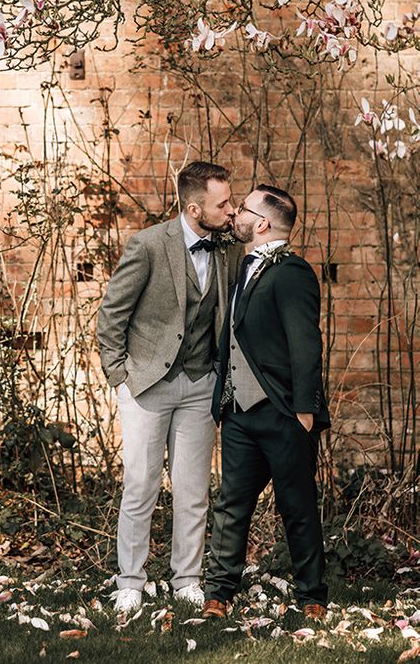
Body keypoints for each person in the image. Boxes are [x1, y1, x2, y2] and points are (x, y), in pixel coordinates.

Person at [97, 161, 240, 613]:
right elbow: (111, 315)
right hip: (147, 385)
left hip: (201, 383)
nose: (231, 210)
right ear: (195, 208)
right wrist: (119, 376)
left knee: (194, 490)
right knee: (140, 487)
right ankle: (130, 582)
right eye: (223, 203)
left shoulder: (225, 250)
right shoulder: (148, 245)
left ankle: (187, 579)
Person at [201, 185, 330, 621]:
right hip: (239, 413)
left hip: (284, 414)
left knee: (297, 506)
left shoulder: (293, 272)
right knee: (232, 504)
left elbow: (306, 344)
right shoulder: (243, 267)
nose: (235, 213)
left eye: (243, 209)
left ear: (262, 223)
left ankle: (312, 596)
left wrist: (305, 411)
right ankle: (219, 592)